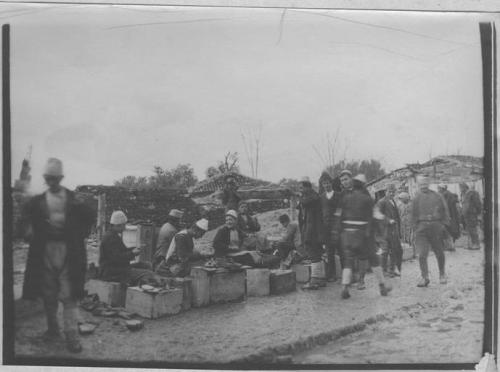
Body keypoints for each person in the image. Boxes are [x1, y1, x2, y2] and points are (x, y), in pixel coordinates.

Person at [21, 158, 95, 353]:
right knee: (48, 294)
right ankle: (53, 329)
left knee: (69, 295)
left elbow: (90, 217)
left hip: (68, 253)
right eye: (48, 178)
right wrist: (28, 228)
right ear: (45, 178)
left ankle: (72, 338)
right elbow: (25, 219)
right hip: (45, 252)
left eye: (54, 178)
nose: (51, 182)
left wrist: (82, 231)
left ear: (60, 178)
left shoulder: (72, 199)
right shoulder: (38, 201)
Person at [334, 170, 392, 299]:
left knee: (348, 261)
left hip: (347, 235)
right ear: (364, 185)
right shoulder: (367, 198)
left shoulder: (344, 197)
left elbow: (338, 215)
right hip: (363, 234)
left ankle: (345, 286)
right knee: (373, 259)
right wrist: (387, 221)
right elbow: (376, 214)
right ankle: (382, 286)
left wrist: (338, 231)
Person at [99, 211, 161, 286]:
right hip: (111, 272)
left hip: (116, 268)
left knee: (146, 265)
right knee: (148, 273)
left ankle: (140, 285)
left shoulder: (113, 235)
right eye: (123, 225)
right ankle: (138, 292)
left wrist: (134, 249)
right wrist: (133, 253)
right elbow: (117, 258)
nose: (125, 227)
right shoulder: (110, 238)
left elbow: (121, 251)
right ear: (117, 225)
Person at [410, 176, 450, 287]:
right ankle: (425, 277)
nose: (423, 186)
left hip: (435, 227)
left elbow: (445, 211)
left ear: (428, 184)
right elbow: (413, 215)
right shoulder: (416, 198)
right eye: (421, 184)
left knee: (439, 252)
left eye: (425, 184)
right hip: (421, 229)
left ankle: (442, 274)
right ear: (418, 185)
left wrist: (443, 225)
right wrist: (415, 228)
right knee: (422, 254)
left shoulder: (437, 196)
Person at [213, 210, 280, 268]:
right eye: (227, 220)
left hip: (236, 252)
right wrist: (229, 247)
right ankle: (262, 263)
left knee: (255, 253)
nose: (228, 222)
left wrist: (251, 236)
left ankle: (269, 259)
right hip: (226, 255)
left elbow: (244, 235)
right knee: (248, 256)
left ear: (235, 221)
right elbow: (215, 244)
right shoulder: (222, 230)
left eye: (230, 220)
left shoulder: (237, 230)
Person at [297, 176, 326, 290]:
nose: (300, 190)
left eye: (301, 188)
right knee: (317, 254)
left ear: (307, 187)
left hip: (312, 231)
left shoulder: (312, 197)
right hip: (312, 230)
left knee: (313, 254)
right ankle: (321, 279)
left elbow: (303, 202)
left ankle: (314, 280)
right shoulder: (310, 196)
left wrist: (300, 197)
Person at [375, 183, 403, 277]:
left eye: (393, 192)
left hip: (393, 231)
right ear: (386, 192)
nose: (391, 193)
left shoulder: (393, 201)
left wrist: (399, 230)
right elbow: (377, 214)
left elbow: (397, 216)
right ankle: (383, 271)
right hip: (383, 231)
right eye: (389, 191)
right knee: (385, 251)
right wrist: (388, 220)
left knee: (394, 250)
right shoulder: (381, 202)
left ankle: (391, 270)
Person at [319, 172, 342, 281]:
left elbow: (341, 210)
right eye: (324, 184)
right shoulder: (321, 197)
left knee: (341, 250)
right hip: (326, 229)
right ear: (322, 185)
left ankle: (345, 275)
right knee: (329, 252)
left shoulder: (338, 195)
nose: (326, 185)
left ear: (331, 183)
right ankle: (331, 275)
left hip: (337, 228)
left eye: (328, 183)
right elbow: (321, 213)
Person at [459, 182, 483, 250]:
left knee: (473, 229)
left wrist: (478, 213)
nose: (460, 188)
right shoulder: (464, 194)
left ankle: (476, 244)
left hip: (472, 214)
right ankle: (471, 244)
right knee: (469, 230)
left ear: (466, 187)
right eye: (460, 187)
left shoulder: (473, 193)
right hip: (466, 215)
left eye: (461, 187)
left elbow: (478, 204)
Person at [438, 184, 461, 251]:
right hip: (451, 216)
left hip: (449, 217)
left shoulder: (446, 195)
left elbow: (446, 207)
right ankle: (450, 245)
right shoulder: (448, 195)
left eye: (439, 188)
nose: (438, 190)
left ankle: (450, 246)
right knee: (449, 231)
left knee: (448, 231)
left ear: (442, 189)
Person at [397, 192, 414, 257]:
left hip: (411, 224)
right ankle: (407, 253)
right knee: (404, 238)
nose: (401, 200)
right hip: (403, 224)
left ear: (406, 198)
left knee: (411, 238)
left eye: (402, 198)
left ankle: (413, 253)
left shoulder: (412, 205)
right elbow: (398, 214)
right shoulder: (399, 205)